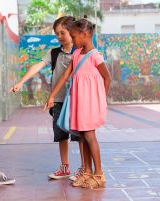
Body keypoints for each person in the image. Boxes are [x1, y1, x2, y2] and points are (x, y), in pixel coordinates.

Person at [10, 16, 85, 180]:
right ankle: (65, 167)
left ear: (71, 31)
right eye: (56, 33)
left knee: (79, 137)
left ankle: (84, 168)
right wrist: (21, 82)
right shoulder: (54, 53)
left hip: (75, 101)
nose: (59, 36)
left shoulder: (79, 52)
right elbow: (37, 66)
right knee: (61, 135)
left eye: (62, 33)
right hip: (58, 101)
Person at [45, 18, 111, 189]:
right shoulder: (76, 54)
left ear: (85, 35)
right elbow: (65, 76)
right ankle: (87, 172)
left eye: (74, 37)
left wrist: (101, 100)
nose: (72, 41)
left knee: (90, 136)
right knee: (83, 135)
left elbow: (107, 77)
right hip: (79, 103)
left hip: (91, 104)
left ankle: (99, 174)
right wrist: (52, 95)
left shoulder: (95, 56)